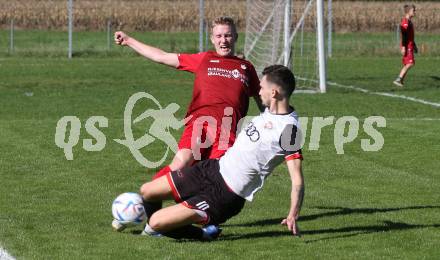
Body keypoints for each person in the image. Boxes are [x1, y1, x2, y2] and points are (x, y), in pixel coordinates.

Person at [124, 65, 304, 240]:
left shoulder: (289, 131)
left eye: (262, 87)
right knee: (147, 191)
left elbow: (297, 180)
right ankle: (160, 228)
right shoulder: (269, 112)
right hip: (211, 169)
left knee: (156, 221)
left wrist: (292, 214)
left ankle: (201, 233)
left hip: (225, 194)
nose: (258, 91)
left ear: (274, 93)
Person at [393, 4, 417, 87]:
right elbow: (404, 35)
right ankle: (398, 79)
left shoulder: (409, 21)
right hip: (407, 46)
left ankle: (400, 80)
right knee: (410, 63)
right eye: (413, 10)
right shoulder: (405, 22)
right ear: (408, 12)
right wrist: (403, 47)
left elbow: (410, 36)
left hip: (410, 45)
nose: (415, 12)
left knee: (408, 63)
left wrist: (414, 44)